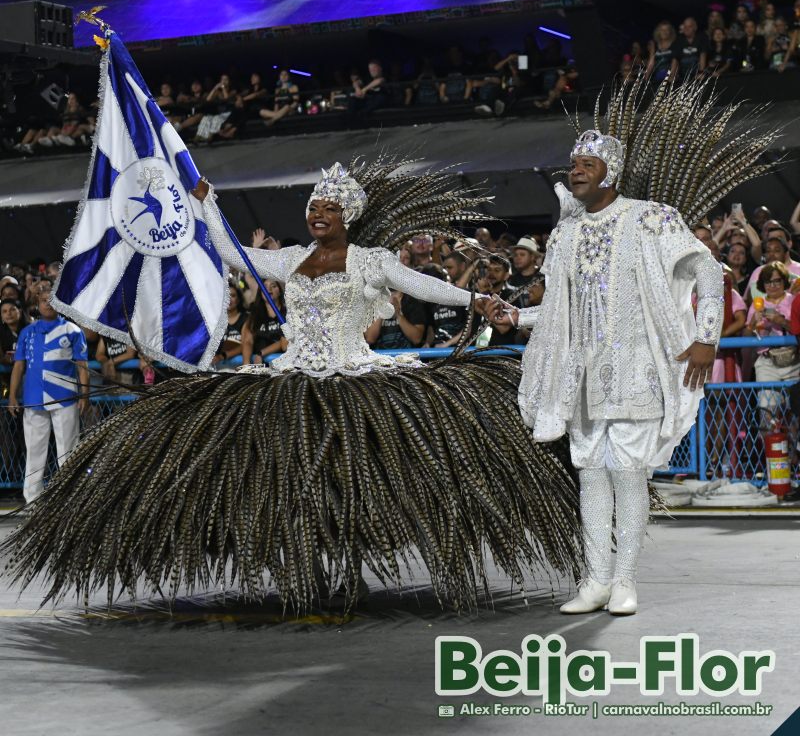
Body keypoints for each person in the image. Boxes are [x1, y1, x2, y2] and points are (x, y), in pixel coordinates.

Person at [6, 158, 582, 614]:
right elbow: (233, 252)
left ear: (348, 215)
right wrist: (208, 206)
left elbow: (422, 287)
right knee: (291, 478)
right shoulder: (294, 260)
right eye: (314, 207)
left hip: (353, 380)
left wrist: (476, 299)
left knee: (351, 477)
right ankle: (306, 568)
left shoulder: (372, 260)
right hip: (289, 379)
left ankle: (348, 567)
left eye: (330, 208)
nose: (319, 214)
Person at [489, 74, 769, 616]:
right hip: (584, 375)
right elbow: (562, 309)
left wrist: (706, 337)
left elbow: (707, 272)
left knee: (627, 471)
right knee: (590, 473)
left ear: (610, 173)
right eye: (572, 165)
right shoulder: (566, 234)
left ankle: (624, 580)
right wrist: (516, 315)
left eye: (585, 166)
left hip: (637, 368)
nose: (574, 172)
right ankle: (595, 579)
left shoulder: (651, 217)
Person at [7, 294, 89, 504]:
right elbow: (19, 366)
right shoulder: (27, 332)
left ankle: (70, 499)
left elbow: (82, 366)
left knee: (68, 451)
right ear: (38, 304)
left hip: (66, 397)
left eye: (53, 299)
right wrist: (12, 396)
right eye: (44, 300)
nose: (48, 303)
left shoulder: (72, 330)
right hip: (33, 399)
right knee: (34, 451)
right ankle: (32, 500)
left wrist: (84, 395)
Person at [743, 262, 799, 428]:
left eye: (777, 281)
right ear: (762, 284)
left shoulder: (793, 301)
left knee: (795, 413)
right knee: (768, 412)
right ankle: (771, 453)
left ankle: (794, 453)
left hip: (794, 360)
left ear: (784, 282)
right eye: (768, 282)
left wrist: (781, 321)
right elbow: (746, 337)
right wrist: (753, 323)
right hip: (767, 362)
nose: (772, 286)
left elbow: (797, 328)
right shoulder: (757, 304)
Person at [241, 281, 287, 365]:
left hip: (283, 364)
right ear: (260, 292)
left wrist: (262, 353)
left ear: (280, 291)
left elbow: (285, 342)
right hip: (260, 365)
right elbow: (248, 341)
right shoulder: (254, 315)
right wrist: (246, 365)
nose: (269, 289)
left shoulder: (288, 313)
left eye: (273, 286)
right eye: (264, 286)